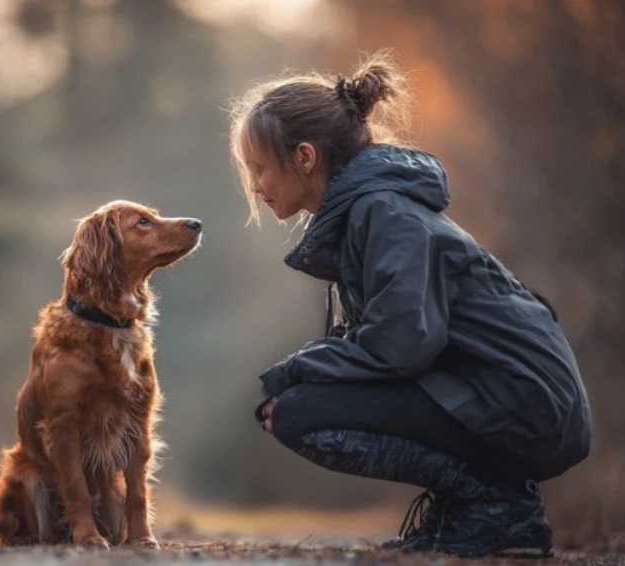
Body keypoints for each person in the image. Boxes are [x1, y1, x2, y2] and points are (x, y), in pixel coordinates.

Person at [228, 51, 591, 558]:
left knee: (299, 414)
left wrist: (295, 371)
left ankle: (499, 506)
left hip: (526, 403)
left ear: (305, 158)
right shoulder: (364, 212)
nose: (256, 187)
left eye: (260, 169)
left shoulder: (385, 213)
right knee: (298, 407)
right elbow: (396, 344)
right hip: (493, 395)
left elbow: (401, 346)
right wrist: (306, 373)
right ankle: (475, 509)